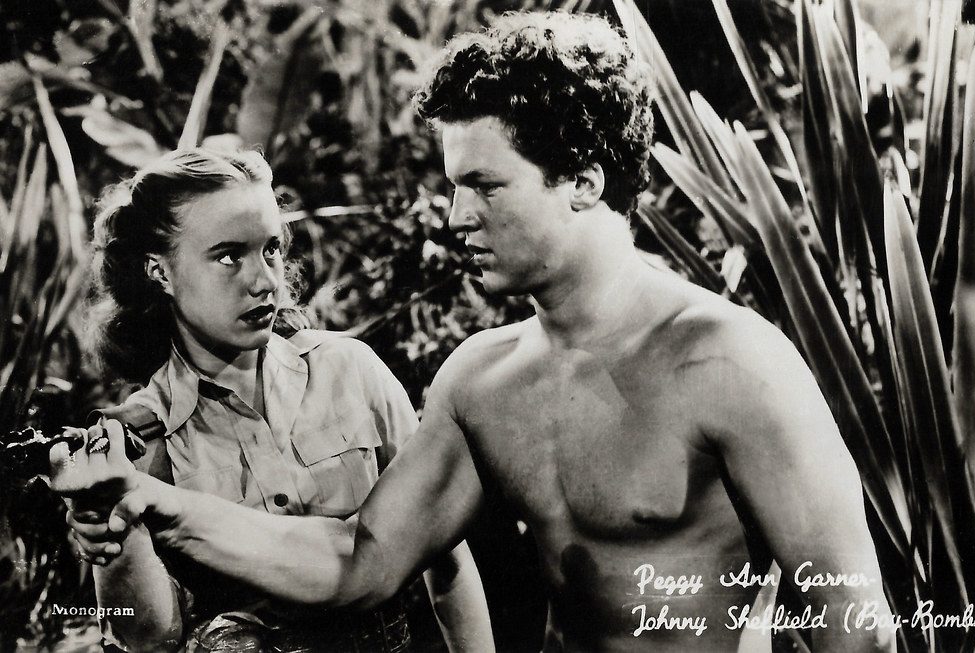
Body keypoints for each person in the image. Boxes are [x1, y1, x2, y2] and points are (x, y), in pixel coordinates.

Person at [54, 12, 896, 652]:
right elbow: (361, 562)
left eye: (484, 186)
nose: (456, 215)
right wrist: (154, 502)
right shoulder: (482, 381)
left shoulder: (732, 363)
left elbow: (855, 626)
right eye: (454, 185)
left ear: (582, 181)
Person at [52, 147, 493, 653]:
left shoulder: (351, 370)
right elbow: (148, 637)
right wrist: (111, 528)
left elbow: (446, 556)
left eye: (271, 250)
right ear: (160, 272)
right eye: (227, 256)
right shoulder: (141, 437)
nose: (264, 281)